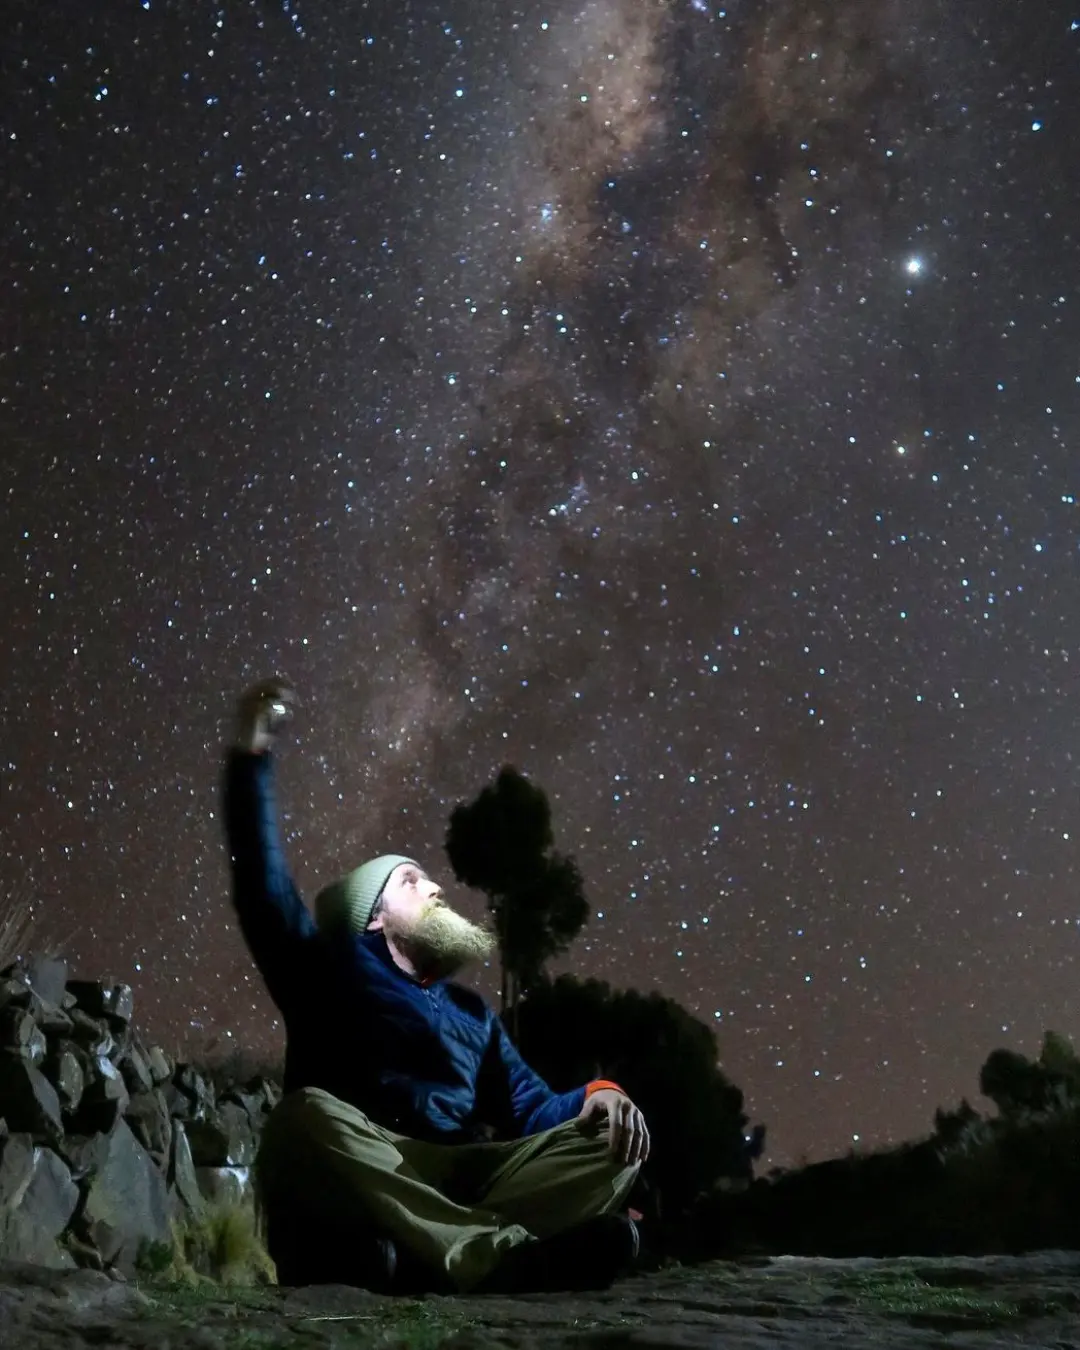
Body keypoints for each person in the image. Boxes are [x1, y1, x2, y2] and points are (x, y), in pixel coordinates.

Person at [222, 677, 649, 1295]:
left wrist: (601, 1097)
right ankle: (496, 1255)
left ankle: (427, 1255)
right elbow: (262, 883)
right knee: (303, 1120)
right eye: (412, 881)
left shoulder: (473, 1013)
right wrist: (253, 750)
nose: (437, 889)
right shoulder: (326, 966)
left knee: (615, 1141)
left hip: (459, 1175)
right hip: (368, 1161)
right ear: (374, 914)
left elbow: (532, 1108)